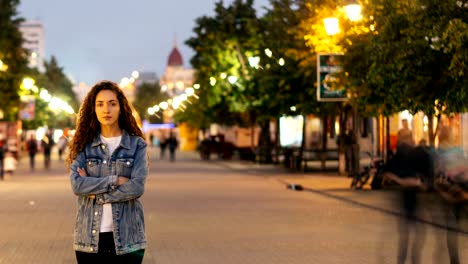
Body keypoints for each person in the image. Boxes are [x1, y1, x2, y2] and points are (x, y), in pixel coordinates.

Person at [66, 81, 148, 263]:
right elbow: (78, 185)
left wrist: (96, 193)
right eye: (100, 104)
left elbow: (137, 187)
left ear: (121, 107)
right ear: (93, 109)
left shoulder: (136, 145)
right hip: (89, 238)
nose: (106, 109)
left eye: (112, 103)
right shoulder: (83, 145)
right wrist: (117, 180)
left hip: (129, 238)